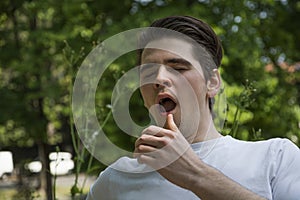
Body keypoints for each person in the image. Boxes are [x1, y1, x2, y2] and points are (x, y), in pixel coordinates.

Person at [86, 16, 300, 200]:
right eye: (149, 72)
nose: (159, 79)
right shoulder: (114, 180)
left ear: (212, 82)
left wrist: (194, 174)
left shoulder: (276, 158)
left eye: (178, 68)